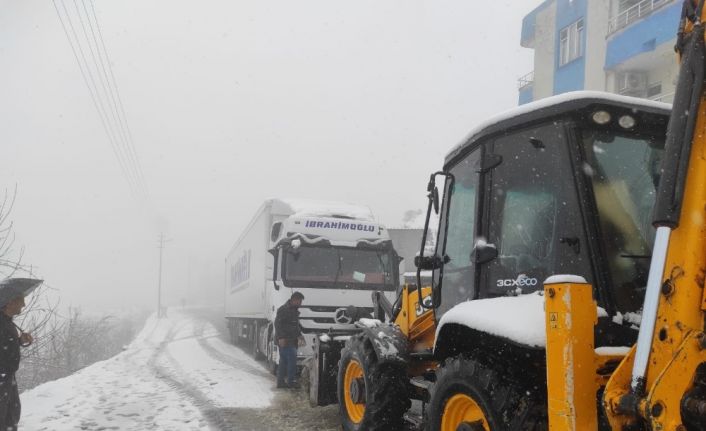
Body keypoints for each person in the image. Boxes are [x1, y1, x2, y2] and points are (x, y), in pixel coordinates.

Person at [0, 294, 33, 431]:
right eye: (21, 300)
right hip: (2, 376)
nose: (24, 304)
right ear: (9, 302)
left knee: (12, 413)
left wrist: (20, 341)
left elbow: (5, 345)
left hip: (8, 375)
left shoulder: (7, 321)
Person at [274, 291, 304, 389]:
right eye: (299, 301)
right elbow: (277, 325)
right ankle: (291, 382)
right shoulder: (283, 310)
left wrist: (300, 335)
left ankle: (280, 382)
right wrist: (281, 338)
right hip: (285, 340)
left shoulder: (294, 310)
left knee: (283, 362)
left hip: (291, 340)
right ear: (294, 300)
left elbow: (294, 325)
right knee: (292, 360)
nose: (300, 304)